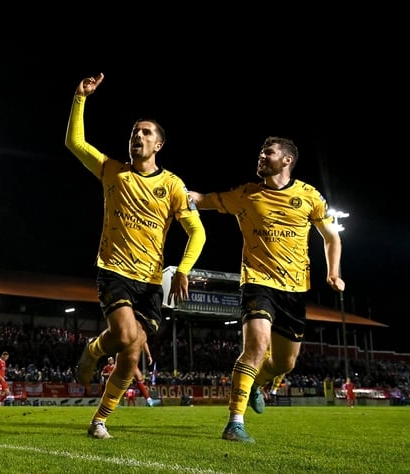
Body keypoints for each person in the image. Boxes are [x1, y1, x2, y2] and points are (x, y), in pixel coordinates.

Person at [66, 72, 206, 439]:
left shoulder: (173, 185)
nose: (137, 136)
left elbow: (197, 231)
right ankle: (94, 351)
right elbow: (75, 142)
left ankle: (99, 419)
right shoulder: (113, 171)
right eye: (134, 132)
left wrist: (183, 269)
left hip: (150, 281)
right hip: (113, 270)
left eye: (145, 133)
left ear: (159, 144)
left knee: (131, 355)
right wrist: (80, 98)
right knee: (128, 335)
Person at [189, 136, 345, 443]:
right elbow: (204, 198)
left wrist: (334, 273)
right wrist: (178, 192)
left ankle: (258, 383)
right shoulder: (246, 194)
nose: (261, 156)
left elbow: (332, 237)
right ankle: (235, 422)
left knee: (284, 363)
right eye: (261, 151)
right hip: (257, 282)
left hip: (295, 289)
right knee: (256, 347)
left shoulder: (309, 196)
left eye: (268, 152)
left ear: (286, 160)